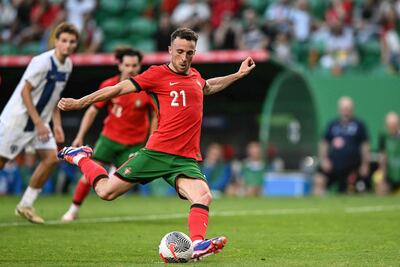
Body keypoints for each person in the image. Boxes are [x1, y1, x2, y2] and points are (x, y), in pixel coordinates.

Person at [57, 27, 255, 260]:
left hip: (185, 158)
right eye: (179, 51)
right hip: (156, 152)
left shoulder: (195, 77)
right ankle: (80, 157)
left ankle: (198, 245)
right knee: (105, 191)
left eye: (189, 53)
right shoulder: (156, 74)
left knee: (203, 196)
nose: (184, 58)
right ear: (170, 50)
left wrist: (238, 75)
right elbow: (119, 88)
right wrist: (81, 102)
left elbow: (209, 86)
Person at [61, 46, 157, 221]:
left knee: (126, 181)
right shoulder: (109, 86)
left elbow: (154, 115)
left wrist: (151, 140)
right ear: (120, 66)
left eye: (134, 65)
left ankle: (114, 171)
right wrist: (80, 135)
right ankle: (73, 210)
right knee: (88, 175)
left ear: (139, 66)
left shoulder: (146, 89)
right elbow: (92, 111)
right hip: (109, 139)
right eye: (127, 65)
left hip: (134, 143)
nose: (131, 69)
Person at [0, 22, 79, 223]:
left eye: (72, 42)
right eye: (64, 41)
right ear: (56, 41)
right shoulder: (42, 61)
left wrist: (57, 124)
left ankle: (25, 205)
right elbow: (25, 91)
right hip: (18, 121)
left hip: (40, 124)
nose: (68, 45)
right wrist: (39, 123)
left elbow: (55, 96)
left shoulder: (68, 65)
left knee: (51, 159)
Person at [313, 96, 370, 195]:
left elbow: (365, 145)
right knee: (318, 179)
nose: (346, 111)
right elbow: (324, 143)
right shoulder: (333, 124)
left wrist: (364, 164)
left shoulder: (359, 125)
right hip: (334, 164)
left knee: (359, 188)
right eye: (344, 108)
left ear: (352, 109)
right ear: (339, 109)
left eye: (348, 108)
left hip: (353, 166)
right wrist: (324, 159)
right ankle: (319, 206)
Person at [374, 112, 400, 194]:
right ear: (386, 125)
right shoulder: (384, 137)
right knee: (378, 181)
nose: (392, 127)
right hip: (389, 175)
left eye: (394, 124)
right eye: (390, 125)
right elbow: (382, 157)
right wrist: (382, 178)